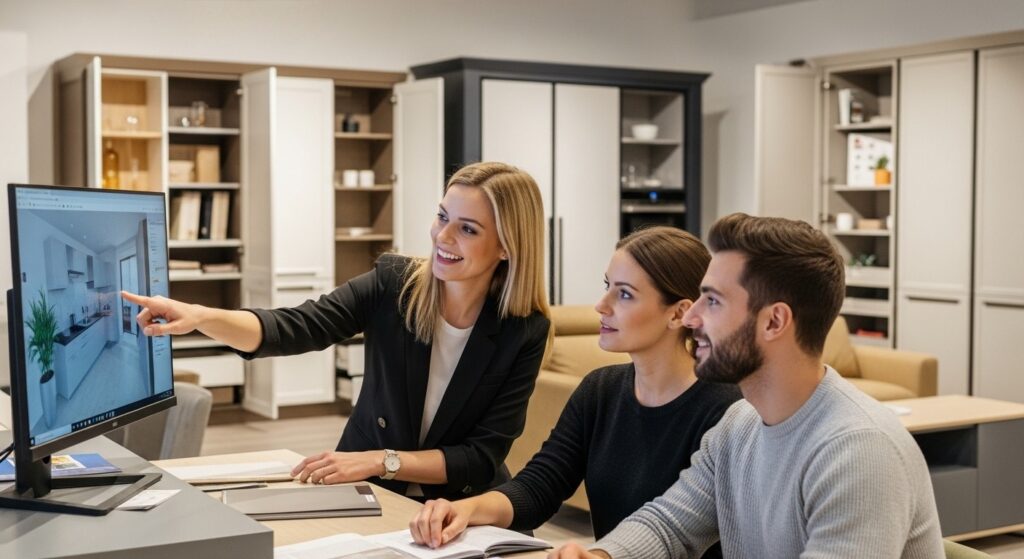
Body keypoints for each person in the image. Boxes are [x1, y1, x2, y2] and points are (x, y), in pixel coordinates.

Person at [124, 161, 551, 501]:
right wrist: (200, 316)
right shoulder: (394, 284)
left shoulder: (524, 331)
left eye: (468, 229)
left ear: (507, 246)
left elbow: (480, 457)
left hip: (462, 505)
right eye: (442, 216)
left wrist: (381, 460)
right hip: (369, 489)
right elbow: (295, 326)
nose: (443, 236)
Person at [550, 213, 943, 559]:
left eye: (713, 301)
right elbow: (669, 526)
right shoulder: (739, 426)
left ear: (773, 322)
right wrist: (600, 555)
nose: (691, 318)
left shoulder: (859, 453)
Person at [408, 226, 740, 555]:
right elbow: (540, 486)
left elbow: (677, 530)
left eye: (624, 294)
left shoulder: (725, 411)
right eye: (607, 286)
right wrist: (465, 510)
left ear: (679, 314)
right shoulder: (601, 389)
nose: (601, 305)